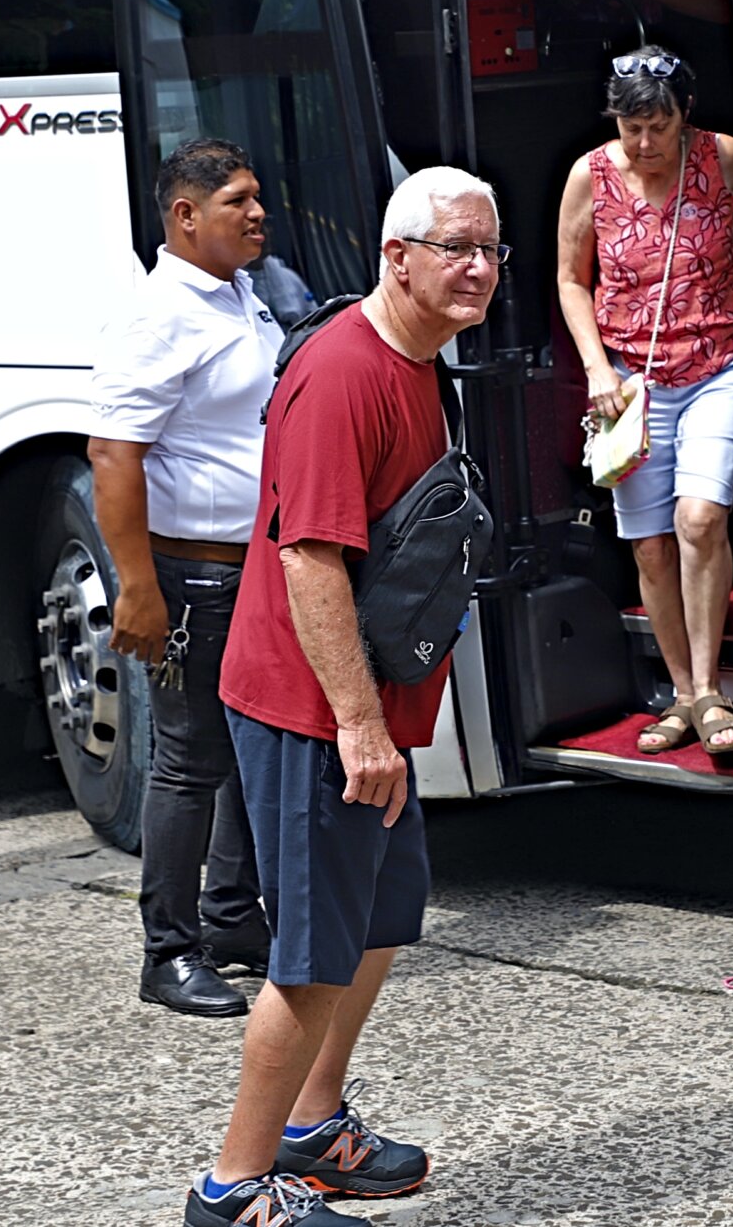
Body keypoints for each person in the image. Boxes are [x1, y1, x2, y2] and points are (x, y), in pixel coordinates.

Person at [186, 166, 500, 1227]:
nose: (479, 267)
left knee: (377, 919)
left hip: (365, 707)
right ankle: (233, 1185)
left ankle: (313, 1127)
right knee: (312, 953)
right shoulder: (344, 371)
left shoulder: (418, 362)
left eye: (490, 249)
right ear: (395, 255)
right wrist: (361, 726)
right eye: (455, 246)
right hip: (309, 708)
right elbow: (307, 558)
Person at [89, 137, 281, 1018]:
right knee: (187, 759)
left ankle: (233, 918)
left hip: (257, 570)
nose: (257, 212)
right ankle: (167, 949)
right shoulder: (160, 311)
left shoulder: (241, 294)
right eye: (237, 199)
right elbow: (113, 456)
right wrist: (137, 588)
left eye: (257, 197)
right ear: (185, 215)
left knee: (249, 752)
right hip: (193, 577)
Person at [555, 45, 733, 762]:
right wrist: (595, 369)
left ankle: (710, 689)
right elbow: (570, 279)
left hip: (720, 357)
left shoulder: (723, 158)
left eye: (658, 126)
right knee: (649, 543)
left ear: (686, 116)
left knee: (700, 515)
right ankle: (682, 692)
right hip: (632, 377)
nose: (643, 144)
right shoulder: (589, 177)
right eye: (629, 127)